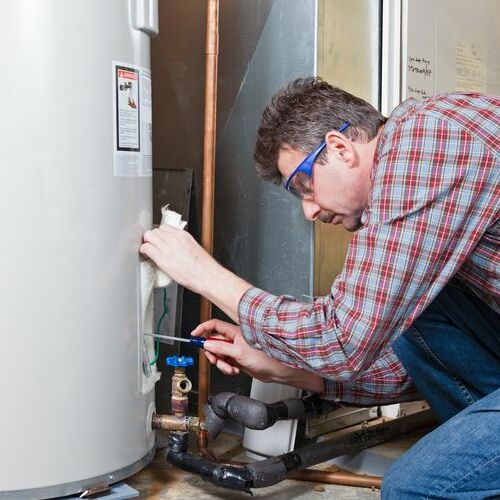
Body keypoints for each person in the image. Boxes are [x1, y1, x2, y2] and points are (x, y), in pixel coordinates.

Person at [141, 78, 499, 498]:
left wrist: (204, 274)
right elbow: (421, 366)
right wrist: (287, 369)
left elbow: (343, 339)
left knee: (417, 490)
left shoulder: (428, 142)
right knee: (406, 313)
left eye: (302, 186)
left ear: (340, 148)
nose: (308, 210)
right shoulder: (429, 141)